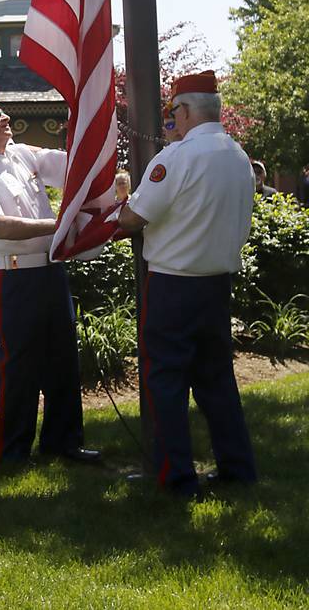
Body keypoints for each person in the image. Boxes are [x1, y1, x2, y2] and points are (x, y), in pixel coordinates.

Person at [118, 70, 257, 498]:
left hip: (173, 286)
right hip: (216, 284)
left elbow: (133, 219)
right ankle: (237, 467)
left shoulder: (175, 158)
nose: (171, 119)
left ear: (186, 110)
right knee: (217, 380)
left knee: (166, 381)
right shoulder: (238, 156)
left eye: (173, 111)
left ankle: (175, 476)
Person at [0, 91, 99, 466]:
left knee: (63, 362)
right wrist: (61, 226)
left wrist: (92, 130)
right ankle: (11, 452)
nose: (6, 118)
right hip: (15, 278)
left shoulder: (21, 154)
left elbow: (76, 167)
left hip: (50, 271)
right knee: (20, 368)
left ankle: (63, 442)